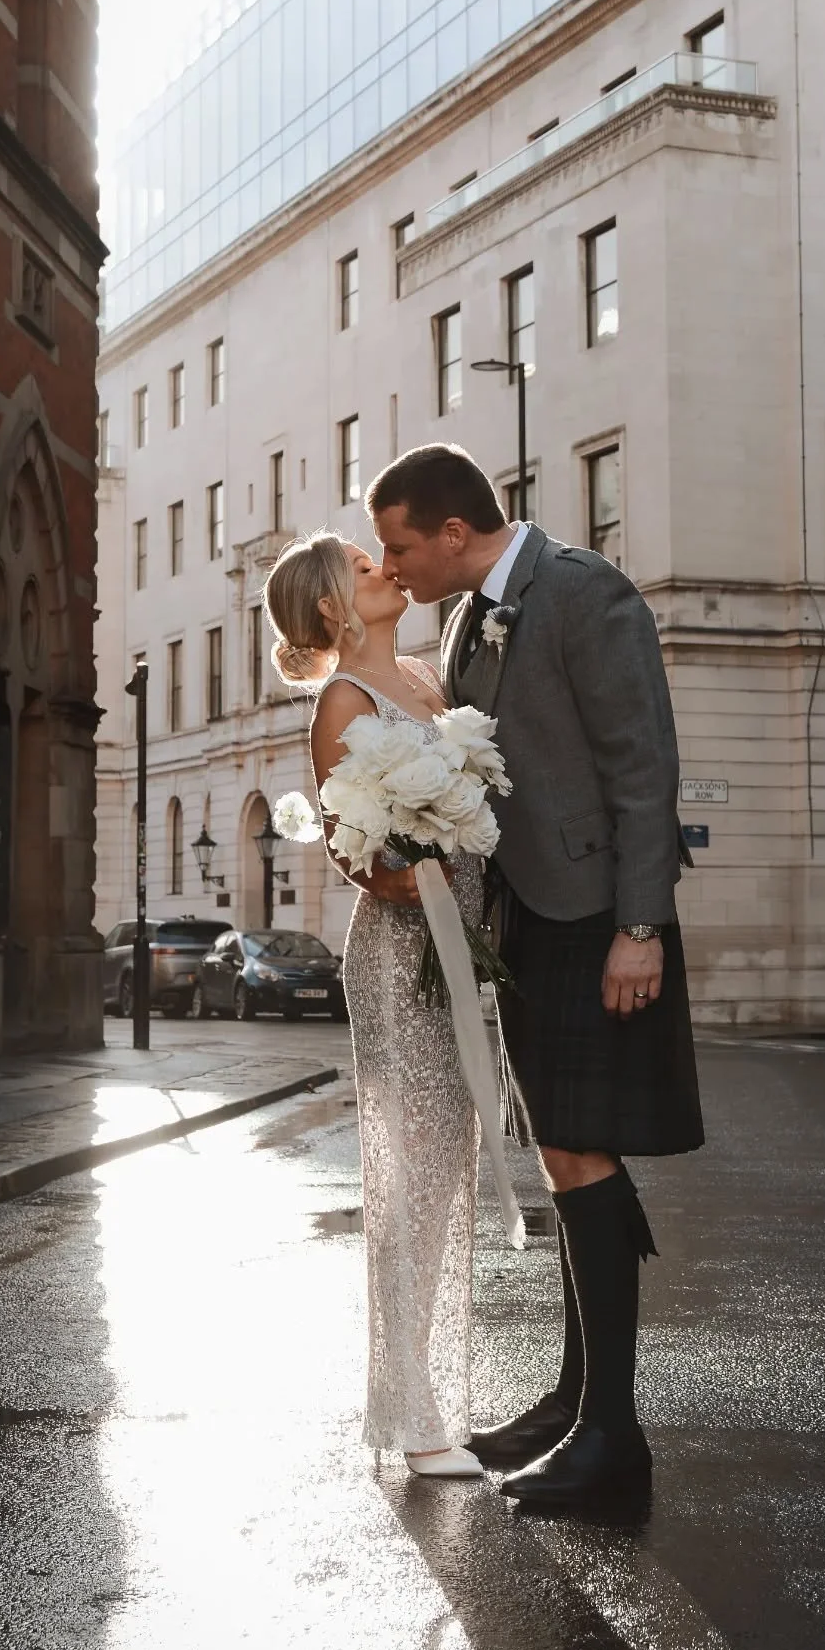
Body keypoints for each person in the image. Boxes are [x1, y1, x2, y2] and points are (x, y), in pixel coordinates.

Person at [369, 443, 704, 1512]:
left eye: (399, 545)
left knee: (578, 1147)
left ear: (453, 532)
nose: (392, 565)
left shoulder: (584, 591)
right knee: (563, 1148)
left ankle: (615, 1440)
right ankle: (573, 1404)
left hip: (598, 919)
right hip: (525, 919)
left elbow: (643, 767)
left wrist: (641, 926)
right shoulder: (466, 619)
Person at [263, 530, 485, 1480]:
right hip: (400, 955)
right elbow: (348, 845)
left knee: (448, 1170)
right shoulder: (343, 701)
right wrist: (406, 874)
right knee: (412, 1178)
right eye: (362, 567)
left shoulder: (429, 680)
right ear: (332, 608)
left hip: (464, 942)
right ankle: (409, 1412)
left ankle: (422, 1392)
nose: (386, 566)